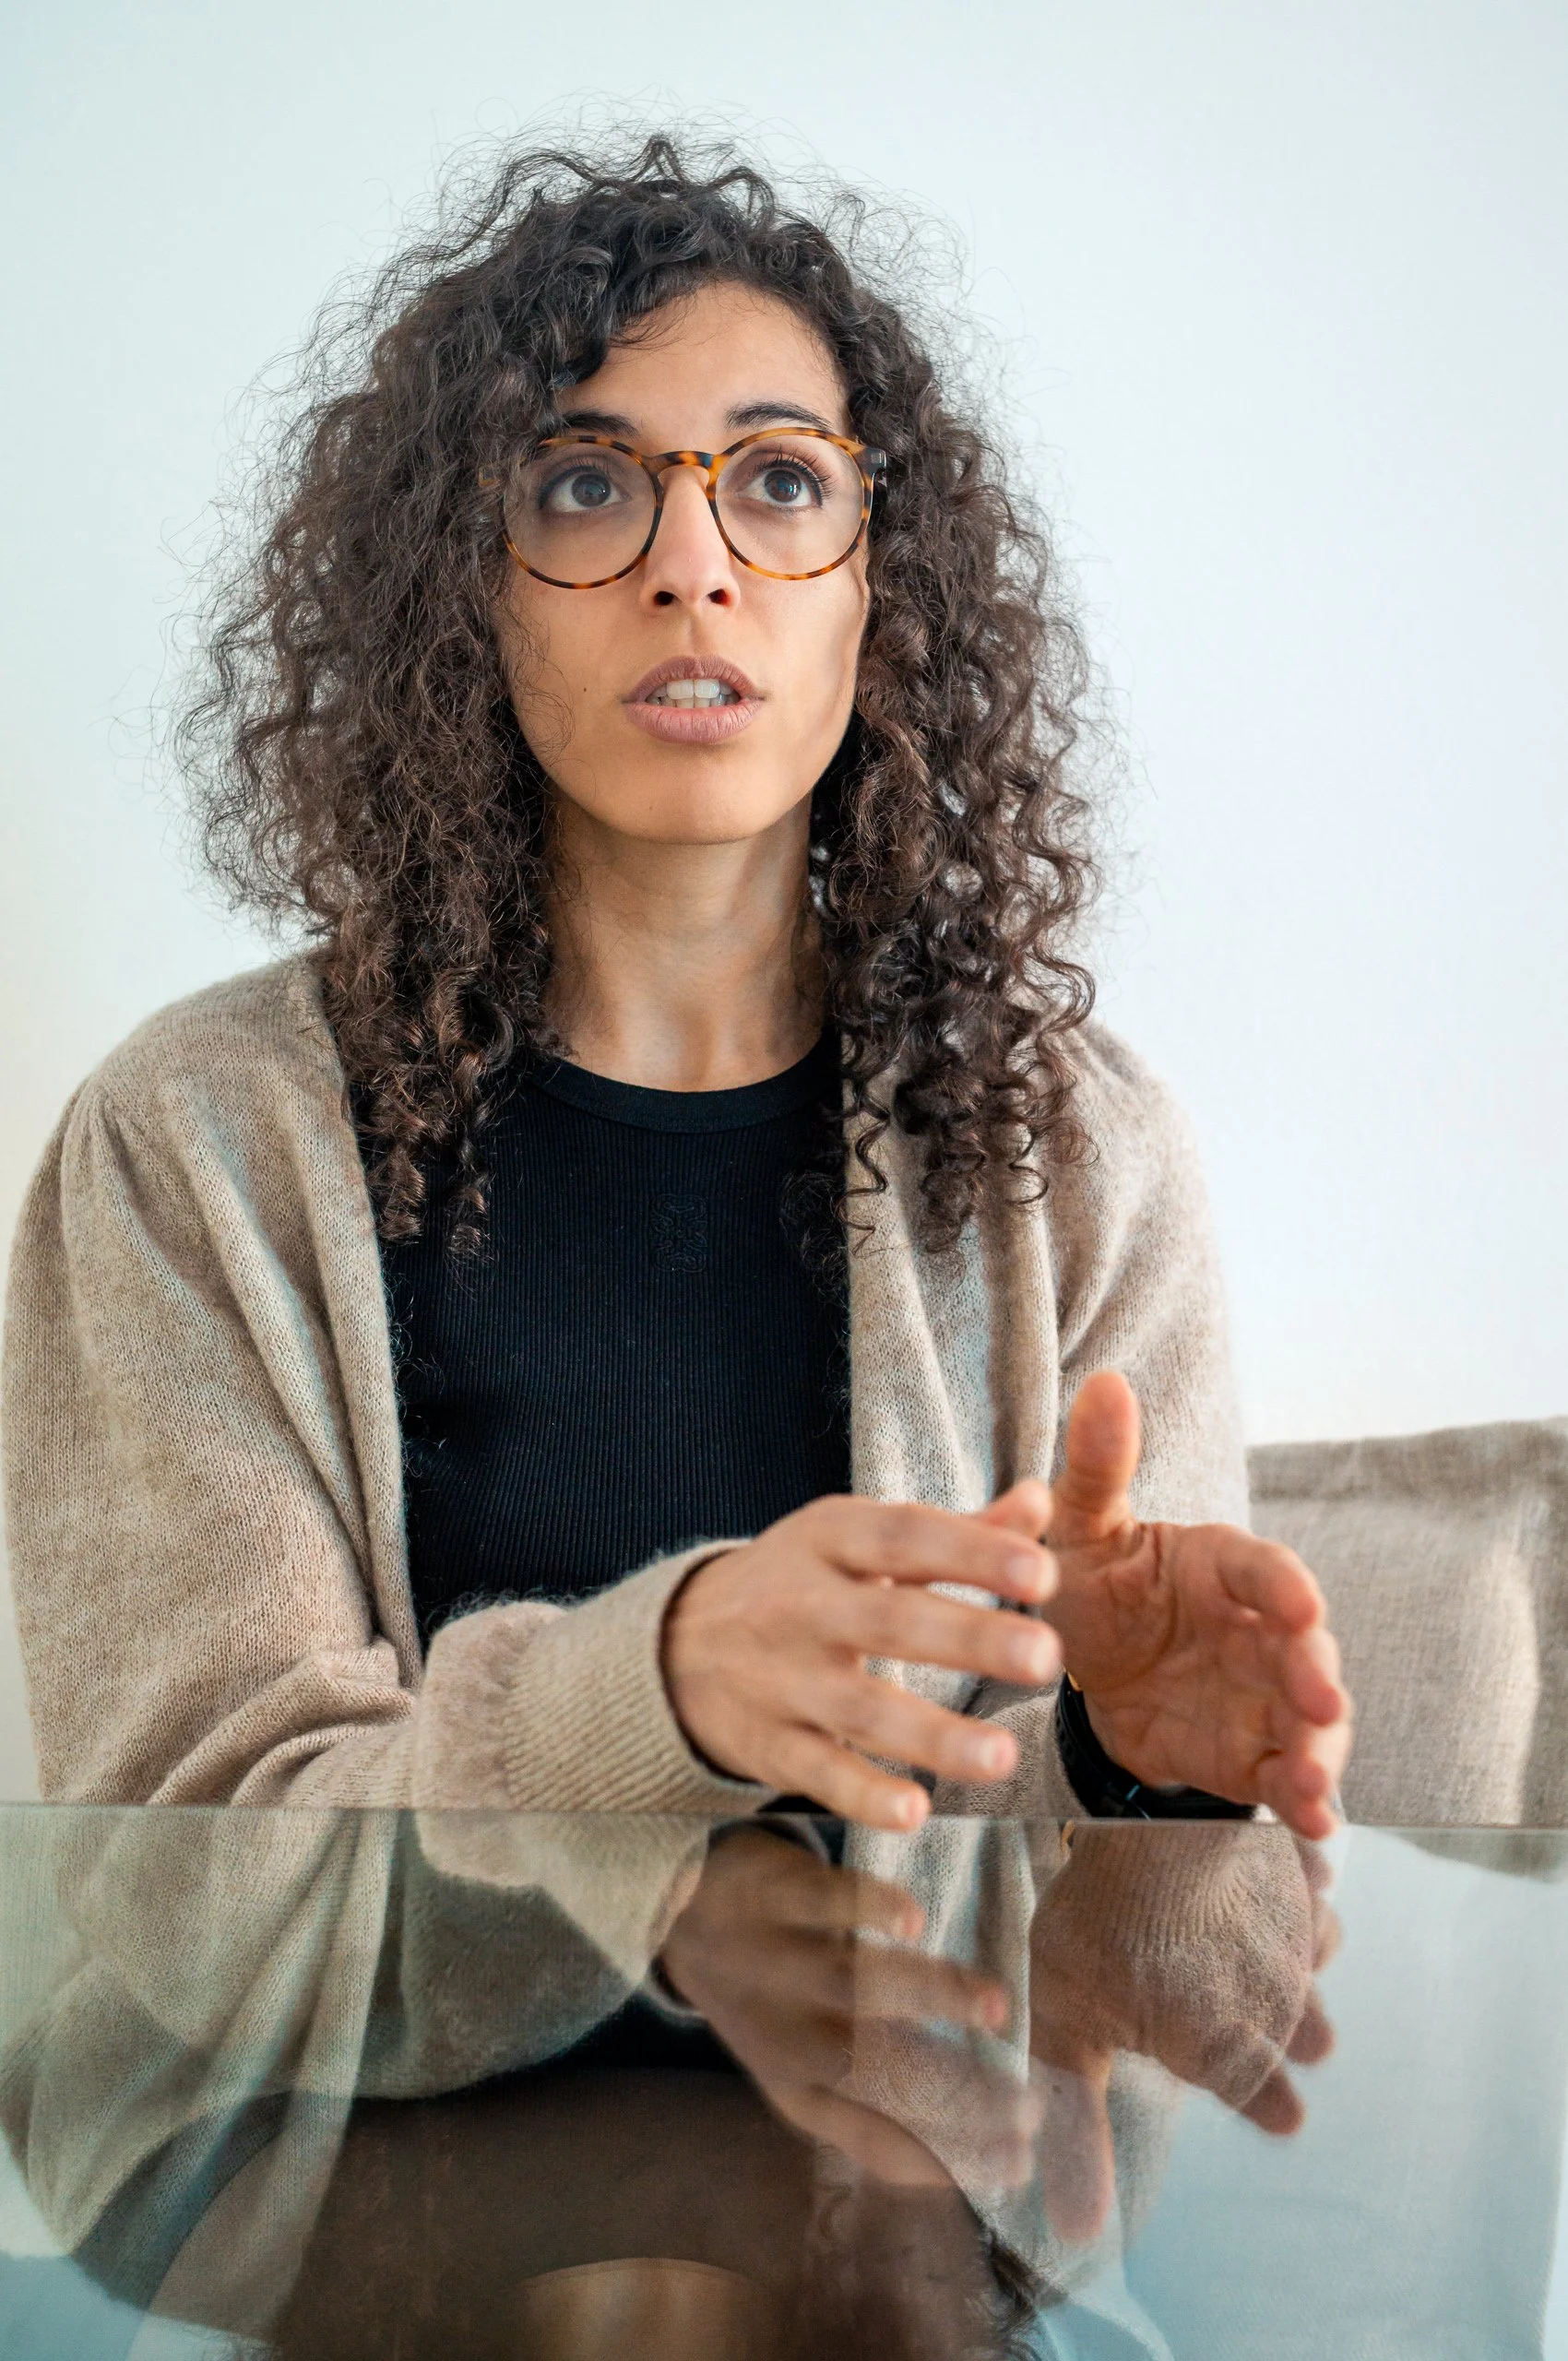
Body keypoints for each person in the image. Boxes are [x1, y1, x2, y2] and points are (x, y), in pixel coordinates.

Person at [1, 136, 1350, 1836]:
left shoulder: (1080, 1147)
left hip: (893, 2111)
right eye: (583, 482)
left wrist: (1131, 1762)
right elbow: (184, 1869)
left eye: (782, 481)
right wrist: (653, 1694)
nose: (693, 564)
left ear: (882, 583)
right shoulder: (188, 1145)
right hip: (387, 2121)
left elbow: (1086, 1970)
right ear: (460, 590)